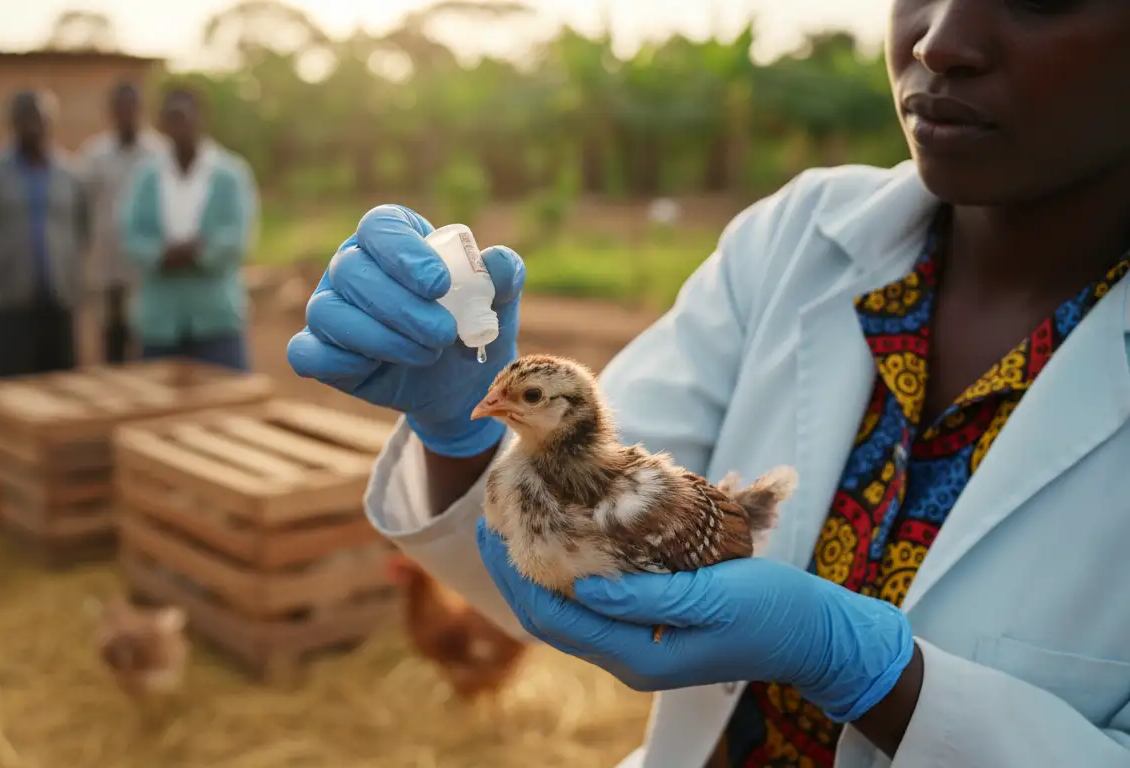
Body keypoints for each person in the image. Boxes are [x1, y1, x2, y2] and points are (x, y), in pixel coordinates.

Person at [287, 0, 1130, 766]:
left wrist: (884, 679)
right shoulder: (794, 238)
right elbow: (578, 567)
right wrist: (463, 439)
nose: (939, 40)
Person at [119, 87, 260, 371]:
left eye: (184, 117)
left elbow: (238, 236)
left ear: (200, 119)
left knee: (227, 403)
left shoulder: (230, 174)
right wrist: (161, 254)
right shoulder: (146, 176)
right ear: (162, 124)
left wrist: (198, 253)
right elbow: (131, 233)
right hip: (159, 322)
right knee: (159, 409)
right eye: (171, 118)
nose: (178, 126)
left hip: (216, 319)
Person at [0, 90, 91, 380]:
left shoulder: (72, 175)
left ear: (51, 121)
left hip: (59, 303)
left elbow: (82, 230)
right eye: (25, 117)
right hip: (10, 307)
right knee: (12, 388)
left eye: (40, 117)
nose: (33, 124)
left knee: (62, 389)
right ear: (12, 122)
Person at [78, 81, 165, 365]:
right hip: (108, 269)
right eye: (121, 108)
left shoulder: (160, 153)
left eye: (132, 107)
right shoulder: (94, 156)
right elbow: (82, 208)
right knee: (112, 346)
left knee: (148, 344)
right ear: (112, 112)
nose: (127, 114)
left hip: (146, 271)